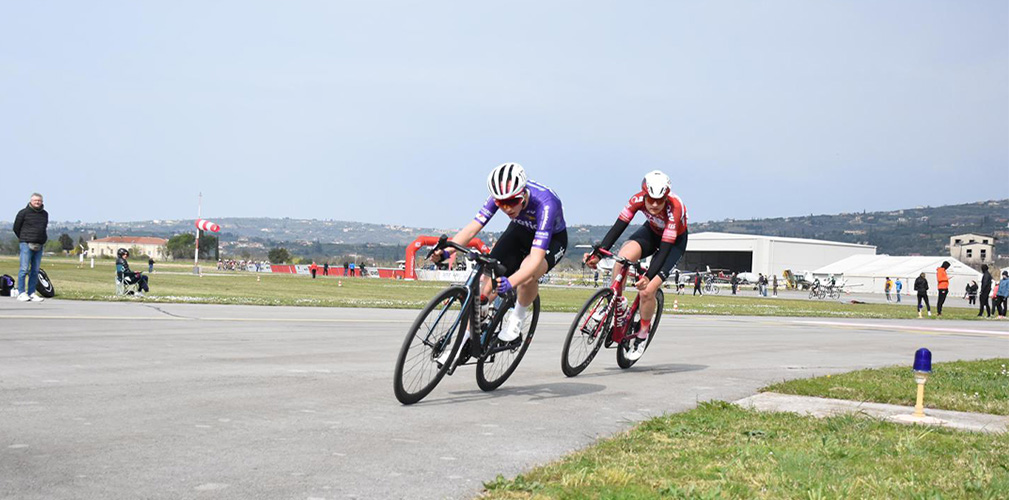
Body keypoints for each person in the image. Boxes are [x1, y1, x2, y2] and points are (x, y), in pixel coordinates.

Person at [434, 163, 568, 347]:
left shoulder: (546, 203)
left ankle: (516, 321)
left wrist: (511, 282)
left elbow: (536, 259)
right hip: (519, 232)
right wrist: (447, 251)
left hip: (552, 239)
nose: (506, 208)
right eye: (500, 203)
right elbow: (473, 228)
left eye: (512, 202)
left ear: (523, 194)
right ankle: (464, 340)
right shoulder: (503, 196)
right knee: (486, 282)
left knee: (528, 275)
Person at [584, 170, 686, 359]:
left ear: (666, 197)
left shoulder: (675, 207)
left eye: (659, 200)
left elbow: (664, 249)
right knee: (622, 258)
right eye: (651, 199)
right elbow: (618, 227)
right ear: (644, 194)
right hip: (651, 233)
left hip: (673, 243)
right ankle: (617, 302)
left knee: (647, 291)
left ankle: (643, 333)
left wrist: (648, 277)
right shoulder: (636, 199)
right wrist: (598, 253)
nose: (654, 204)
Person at [12, 192, 49, 302]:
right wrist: (24, 238)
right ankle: (21, 292)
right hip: (26, 243)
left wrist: (42, 239)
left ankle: (31, 292)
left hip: (39, 244)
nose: (37, 202)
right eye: (35, 200)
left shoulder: (44, 214)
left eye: (39, 201)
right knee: (24, 269)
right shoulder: (23, 213)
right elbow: (16, 228)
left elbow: (44, 227)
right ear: (31, 201)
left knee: (35, 270)